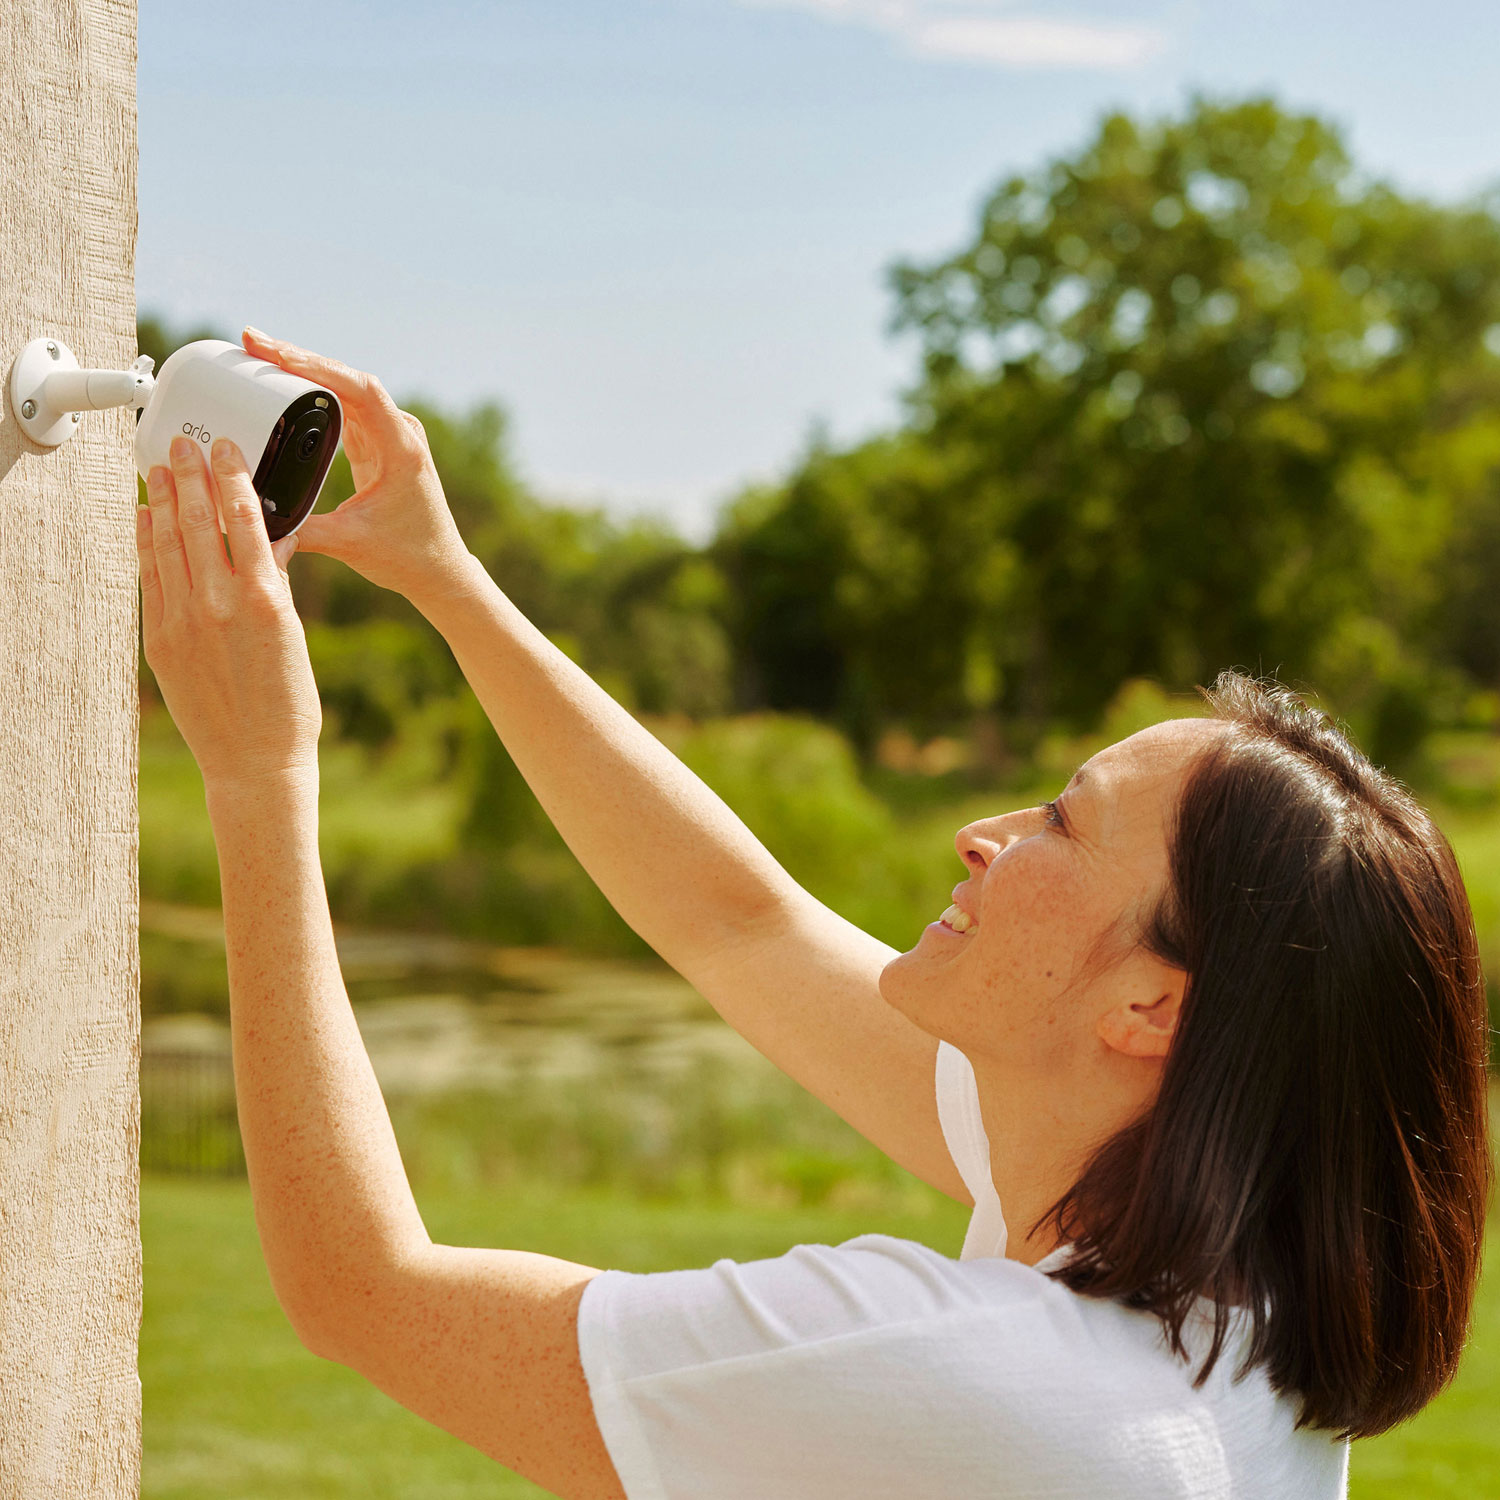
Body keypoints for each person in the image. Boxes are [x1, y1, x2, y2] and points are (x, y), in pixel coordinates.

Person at [135, 327, 1492, 1500]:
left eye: (1064, 822)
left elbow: (366, 1292)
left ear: (1151, 1006)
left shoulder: (977, 1381)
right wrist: (449, 581)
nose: (984, 832)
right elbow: (742, 925)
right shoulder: (1229, 1306)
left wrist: (259, 775)